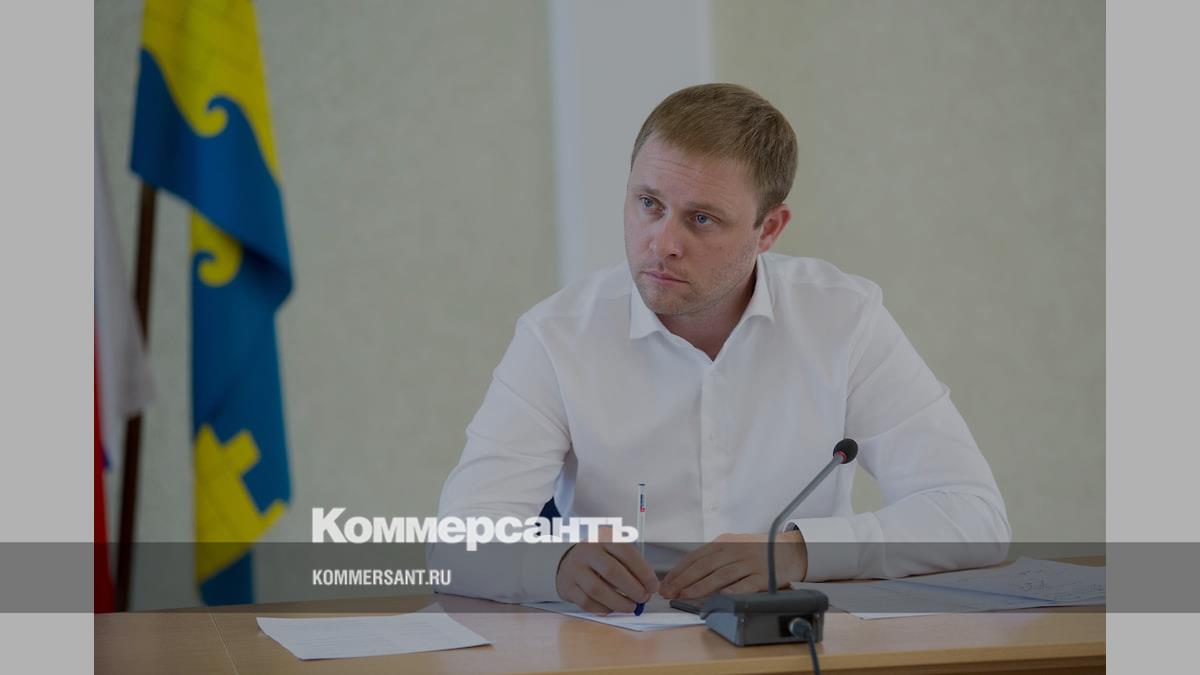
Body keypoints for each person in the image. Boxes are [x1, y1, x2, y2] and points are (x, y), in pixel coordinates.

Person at [430, 83, 1009, 613]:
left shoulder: (844, 318)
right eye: (648, 204)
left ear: (769, 229)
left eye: (702, 219)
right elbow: (456, 546)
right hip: (621, 643)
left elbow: (974, 514)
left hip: (794, 637)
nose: (662, 243)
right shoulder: (556, 336)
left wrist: (798, 551)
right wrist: (554, 566)